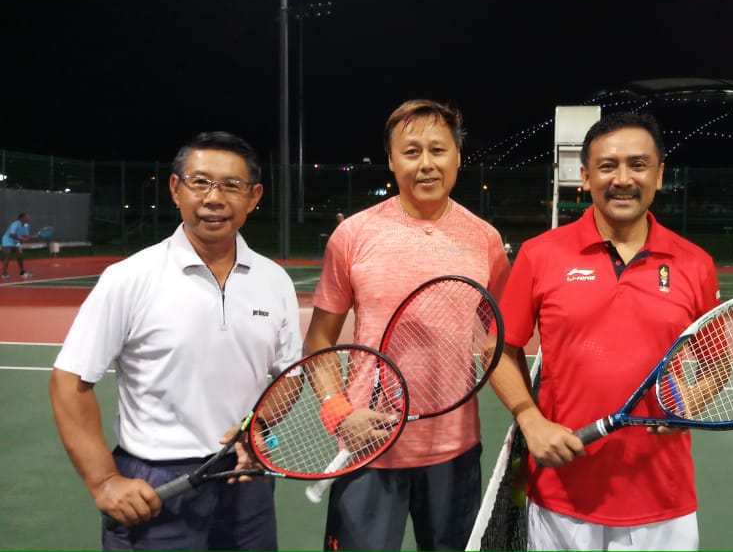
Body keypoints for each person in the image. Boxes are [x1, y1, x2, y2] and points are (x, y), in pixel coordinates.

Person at [48, 131, 303, 550]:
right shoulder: (129, 278)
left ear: (254, 197)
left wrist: (255, 429)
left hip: (244, 478)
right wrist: (106, 480)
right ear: (175, 189)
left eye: (231, 186)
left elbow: (290, 374)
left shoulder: (274, 281)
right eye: (200, 181)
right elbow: (69, 382)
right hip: (155, 481)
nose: (214, 198)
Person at [488, 112, 721, 550]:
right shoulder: (540, 256)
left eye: (638, 164)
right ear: (585, 175)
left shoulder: (695, 263)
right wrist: (530, 419)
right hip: (562, 494)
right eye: (607, 165)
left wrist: (693, 399)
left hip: (663, 500)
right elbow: (499, 349)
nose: (623, 179)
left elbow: (715, 361)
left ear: (659, 174)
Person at [304, 99, 511, 551]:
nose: (426, 164)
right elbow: (318, 341)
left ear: (457, 157)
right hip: (367, 449)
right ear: (392, 161)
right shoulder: (354, 236)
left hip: (455, 453)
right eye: (411, 151)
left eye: (438, 150)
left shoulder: (486, 240)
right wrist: (338, 414)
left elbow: (494, 336)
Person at [2, 212, 34, 279]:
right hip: (7, 241)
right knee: (7, 256)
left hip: (15, 242)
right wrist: (22, 239)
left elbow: (26, 236)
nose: (28, 218)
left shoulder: (26, 225)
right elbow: (11, 235)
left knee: (20, 255)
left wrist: (31, 237)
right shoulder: (15, 224)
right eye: (26, 217)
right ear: (21, 218)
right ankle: (4, 274)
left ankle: (22, 272)